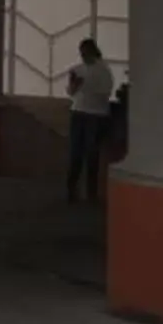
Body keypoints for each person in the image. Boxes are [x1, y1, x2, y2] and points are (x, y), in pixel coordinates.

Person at [64, 38, 116, 204]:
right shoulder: (78, 70)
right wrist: (74, 85)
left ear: (93, 52)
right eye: (82, 53)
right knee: (75, 153)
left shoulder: (103, 70)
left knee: (91, 154)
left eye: (86, 53)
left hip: (96, 114)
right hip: (79, 112)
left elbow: (106, 91)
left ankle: (90, 192)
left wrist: (85, 86)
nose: (83, 56)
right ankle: (72, 190)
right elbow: (71, 92)